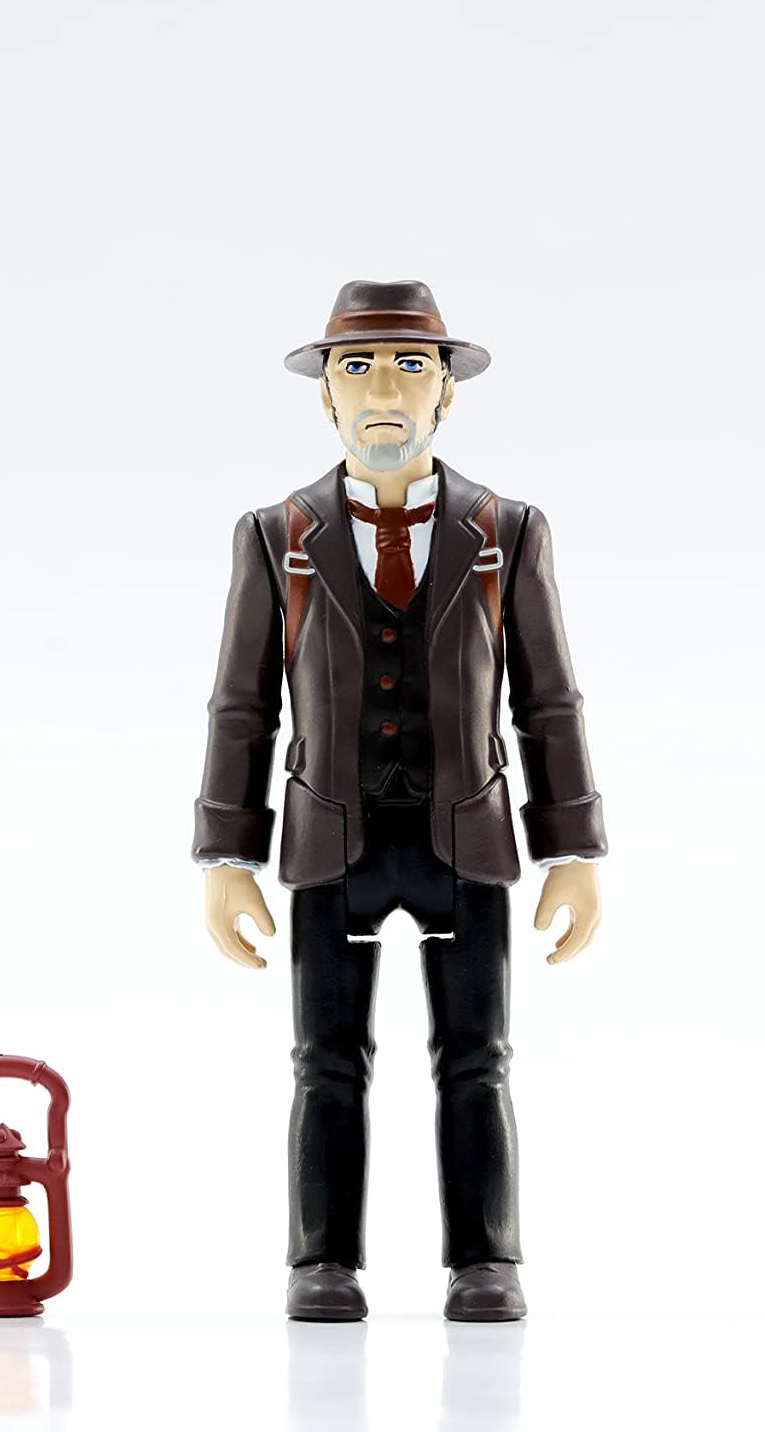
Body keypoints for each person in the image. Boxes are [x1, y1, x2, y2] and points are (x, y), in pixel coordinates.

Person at [193, 279, 609, 1322]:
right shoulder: (275, 535)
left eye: (409, 367)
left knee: (478, 1060)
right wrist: (227, 857)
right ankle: (321, 1260)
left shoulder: (506, 530)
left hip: (464, 834)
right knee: (324, 1062)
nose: (384, 390)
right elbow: (242, 703)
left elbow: (547, 698)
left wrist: (571, 848)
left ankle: (487, 1258)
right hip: (328, 837)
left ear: (447, 394)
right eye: (360, 368)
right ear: (326, 394)